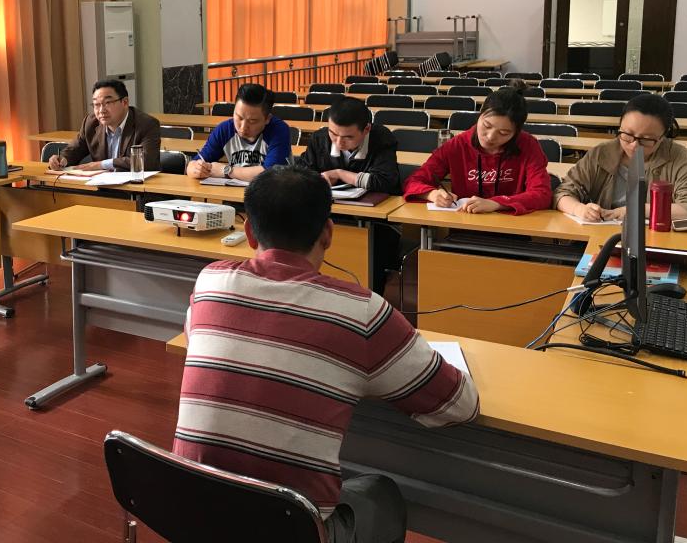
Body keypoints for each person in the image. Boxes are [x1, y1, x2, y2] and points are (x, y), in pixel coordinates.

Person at [174, 166, 479, 543]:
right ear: (328, 233)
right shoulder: (362, 311)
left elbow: (195, 334)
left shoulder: (211, 281)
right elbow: (459, 404)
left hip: (188, 512)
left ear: (249, 232)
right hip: (288, 530)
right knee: (380, 492)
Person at [296, 96, 402, 295]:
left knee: (373, 254)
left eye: (348, 137)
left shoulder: (382, 139)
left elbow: (385, 181)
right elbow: (301, 172)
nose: (338, 142)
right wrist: (317, 178)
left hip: (376, 221)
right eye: (333, 133)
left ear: (366, 129)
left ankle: (370, 297)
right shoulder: (320, 138)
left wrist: (340, 173)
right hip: (333, 214)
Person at [554, 93, 687, 223]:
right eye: (627, 135)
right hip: (602, 234)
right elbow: (562, 192)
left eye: (646, 140)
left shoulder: (677, 157)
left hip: (657, 239)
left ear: (662, 137)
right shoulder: (601, 153)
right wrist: (579, 209)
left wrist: (635, 210)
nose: (634, 145)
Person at [403, 85, 552, 214]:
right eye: (487, 126)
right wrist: (432, 194)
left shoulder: (528, 145)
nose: (490, 137)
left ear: (516, 132)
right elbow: (414, 180)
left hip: (512, 226)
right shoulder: (457, 145)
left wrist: (497, 203)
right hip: (465, 224)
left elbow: (542, 193)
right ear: (480, 114)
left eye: (503, 133)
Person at [47, 80, 161, 171]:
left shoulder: (147, 124)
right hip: (102, 187)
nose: (101, 110)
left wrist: (101, 164)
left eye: (107, 103)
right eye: (96, 104)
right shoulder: (90, 123)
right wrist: (62, 159)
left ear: (125, 102)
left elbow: (146, 161)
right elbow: (75, 150)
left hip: (136, 188)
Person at [186, 84, 291, 182]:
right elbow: (197, 162)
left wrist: (227, 170)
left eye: (252, 121)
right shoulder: (225, 129)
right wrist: (195, 168)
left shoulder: (279, 130)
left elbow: (271, 174)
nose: (243, 127)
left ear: (267, 119)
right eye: (239, 117)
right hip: (233, 192)